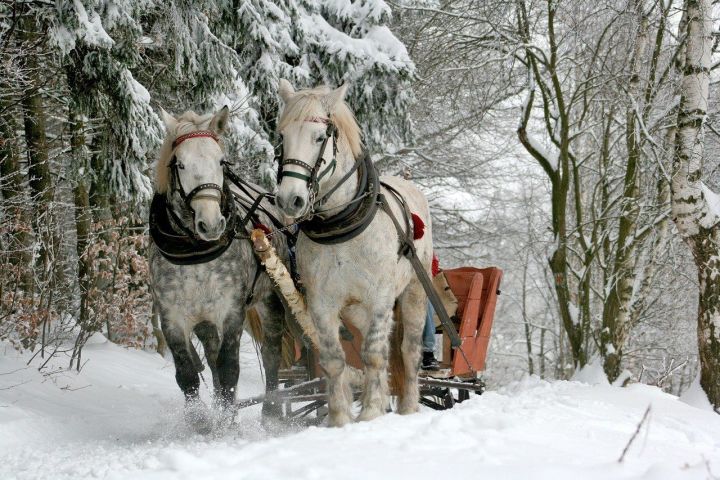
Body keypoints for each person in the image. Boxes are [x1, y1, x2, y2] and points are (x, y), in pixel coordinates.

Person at [421, 253, 441, 371]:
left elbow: (433, 264)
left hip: (417, 285)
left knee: (426, 302)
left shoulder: (425, 243)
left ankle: (427, 353)